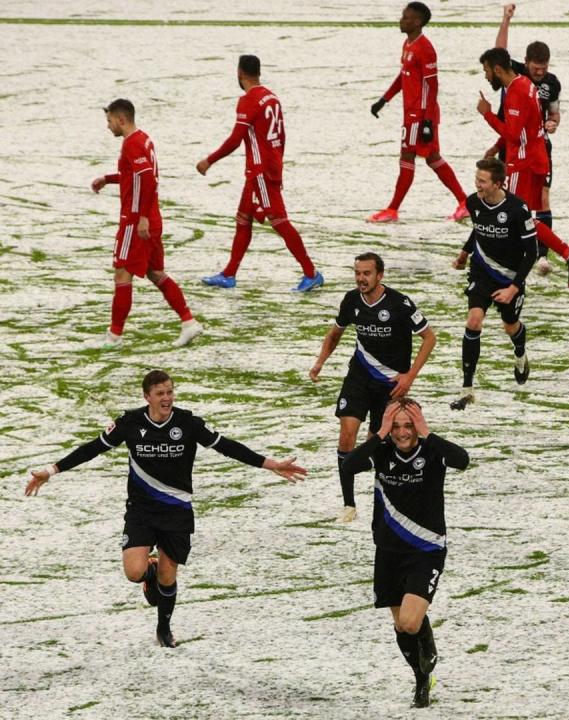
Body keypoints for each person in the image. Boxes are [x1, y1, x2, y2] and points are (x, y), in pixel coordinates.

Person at [25, 370, 307, 647]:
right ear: (146, 396)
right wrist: (51, 470)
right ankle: (149, 571)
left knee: (168, 577)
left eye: (170, 392)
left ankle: (164, 628)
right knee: (133, 572)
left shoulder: (187, 423)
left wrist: (270, 464)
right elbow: (92, 448)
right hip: (141, 510)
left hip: (177, 511)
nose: (167, 398)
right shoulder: (130, 422)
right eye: (160, 393)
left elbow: (227, 447)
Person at [341, 397, 469, 708]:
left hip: (426, 549)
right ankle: (421, 679)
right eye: (396, 426)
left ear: (418, 425)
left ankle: (427, 648)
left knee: (411, 623)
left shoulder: (432, 452)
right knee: (400, 625)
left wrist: (428, 433)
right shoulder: (382, 452)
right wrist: (379, 434)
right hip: (388, 551)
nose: (402, 432)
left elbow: (462, 459)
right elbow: (348, 465)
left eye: (407, 425)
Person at [309, 252, 436, 523]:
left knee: (374, 447)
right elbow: (334, 334)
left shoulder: (399, 303)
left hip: (390, 386)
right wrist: (320, 362)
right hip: (359, 377)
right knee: (346, 434)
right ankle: (348, 506)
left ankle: (387, 501)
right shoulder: (351, 300)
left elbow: (429, 338)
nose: (361, 279)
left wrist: (410, 376)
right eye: (357, 273)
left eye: (366, 274)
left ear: (380, 275)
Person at [196, 55, 324, 292]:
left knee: (279, 221)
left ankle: (311, 272)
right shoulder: (272, 97)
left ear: (239, 72)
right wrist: (278, 164)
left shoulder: (248, 100)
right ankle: (229, 274)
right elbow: (281, 136)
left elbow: (236, 139)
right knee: (243, 219)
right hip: (267, 167)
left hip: (260, 171)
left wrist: (209, 160)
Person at [91, 99, 202, 349]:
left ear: (121, 120)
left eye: (109, 121)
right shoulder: (143, 139)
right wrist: (108, 179)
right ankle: (188, 322)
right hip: (152, 219)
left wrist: (140, 217)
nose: (108, 127)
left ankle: (114, 336)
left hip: (136, 221)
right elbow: (136, 176)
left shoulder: (132, 144)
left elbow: (148, 180)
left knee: (122, 273)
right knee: (155, 273)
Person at [477, 47, 569, 289]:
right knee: (523, 217)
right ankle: (560, 255)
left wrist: (488, 115)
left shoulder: (516, 92)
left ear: (496, 69)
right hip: (537, 158)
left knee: (517, 215)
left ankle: (567, 253)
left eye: (486, 71)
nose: (485, 77)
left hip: (522, 163)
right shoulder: (526, 84)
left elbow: (514, 135)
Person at [367, 2, 469, 223]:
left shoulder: (426, 48)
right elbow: (404, 76)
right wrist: (384, 100)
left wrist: (427, 122)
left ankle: (392, 209)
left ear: (417, 21)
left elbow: (432, 87)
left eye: (406, 17)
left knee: (408, 157)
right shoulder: (408, 44)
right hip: (412, 114)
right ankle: (463, 202)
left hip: (420, 115)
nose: (401, 20)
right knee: (432, 158)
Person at [449, 158, 538, 410]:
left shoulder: (518, 209)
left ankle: (520, 353)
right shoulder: (473, 201)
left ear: (498, 184)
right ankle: (467, 388)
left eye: (482, 181)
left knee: (510, 326)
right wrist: (465, 253)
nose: (477, 184)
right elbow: (478, 228)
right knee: (473, 320)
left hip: (510, 276)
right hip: (482, 271)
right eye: (476, 179)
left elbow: (530, 253)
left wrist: (514, 287)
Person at [491, 3, 562, 276]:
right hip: (511, 144)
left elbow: (555, 111)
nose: (540, 72)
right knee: (508, 198)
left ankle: (543, 256)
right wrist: (505, 20)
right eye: (536, 68)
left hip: (539, 146)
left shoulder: (552, 83)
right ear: (526, 62)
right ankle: (511, 246)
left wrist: (554, 122)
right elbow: (498, 53)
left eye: (543, 68)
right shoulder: (515, 73)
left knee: (542, 199)